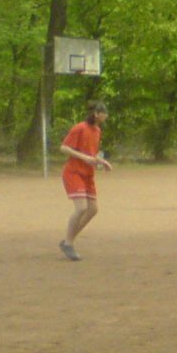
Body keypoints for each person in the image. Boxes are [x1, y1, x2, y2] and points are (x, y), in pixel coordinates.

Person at [58, 100, 112, 261]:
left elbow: (92, 154)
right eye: (104, 113)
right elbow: (64, 148)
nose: (106, 116)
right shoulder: (80, 128)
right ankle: (68, 243)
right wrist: (84, 158)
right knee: (81, 208)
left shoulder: (97, 130)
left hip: (88, 174)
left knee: (92, 209)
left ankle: (67, 240)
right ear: (96, 114)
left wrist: (102, 162)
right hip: (73, 172)